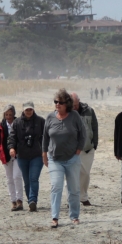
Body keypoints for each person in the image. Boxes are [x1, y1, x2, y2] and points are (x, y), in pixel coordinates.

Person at [42, 88, 86, 227]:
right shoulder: (50, 117)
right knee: (56, 187)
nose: (57, 104)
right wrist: (44, 154)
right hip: (54, 159)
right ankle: (54, 217)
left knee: (73, 189)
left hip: (72, 159)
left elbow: (82, 134)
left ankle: (74, 216)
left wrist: (78, 150)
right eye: (55, 102)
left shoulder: (74, 116)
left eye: (60, 102)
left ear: (67, 103)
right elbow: (45, 137)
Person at [8, 101, 45, 212]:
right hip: (22, 156)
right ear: (23, 110)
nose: (29, 111)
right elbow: (12, 137)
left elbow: (47, 137)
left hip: (37, 155)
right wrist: (12, 148)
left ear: (33, 110)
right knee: (27, 180)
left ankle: (33, 200)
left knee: (34, 178)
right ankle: (30, 201)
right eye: (26, 110)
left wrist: (45, 150)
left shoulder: (41, 121)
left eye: (30, 109)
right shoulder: (17, 123)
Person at [71, 92, 98, 207]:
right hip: (71, 149)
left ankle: (82, 196)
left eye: (76, 105)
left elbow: (95, 127)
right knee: (72, 174)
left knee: (85, 173)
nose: (74, 107)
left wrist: (94, 143)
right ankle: (72, 198)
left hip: (87, 148)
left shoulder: (89, 111)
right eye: (72, 105)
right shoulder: (66, 112)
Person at [0, 105, 24, 211]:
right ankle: (13, 201)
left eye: (10, 114)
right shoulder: (0, 126)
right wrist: (0, 152)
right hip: (5, 156)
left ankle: (20, 200)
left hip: (17, 155)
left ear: (14, 114)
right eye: (6, 114)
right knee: (9, 179)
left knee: (17, 176)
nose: (9, 117)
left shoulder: (19, 123)